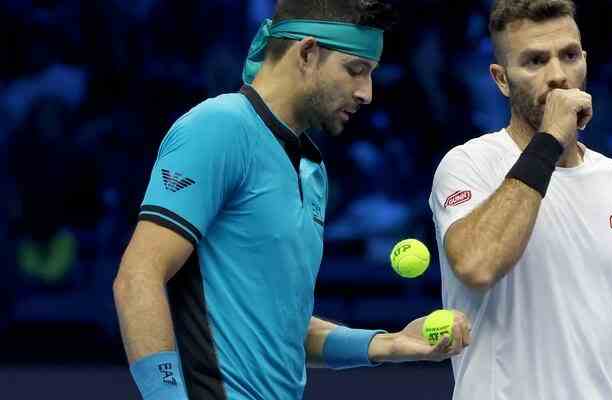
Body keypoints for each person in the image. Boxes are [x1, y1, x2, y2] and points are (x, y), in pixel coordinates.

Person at [112, 1, 471, 399]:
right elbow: (138, 277)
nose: (367, 93)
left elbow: (278, 330)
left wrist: (388, 344)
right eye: (356, 70)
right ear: (307, 53)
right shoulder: (218, 126)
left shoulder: (312, 170)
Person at [428, 1, 612, 399]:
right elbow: (477, 264)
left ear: (585, 61)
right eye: (534, 61)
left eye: (569, 56)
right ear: (501, 79)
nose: (559, 76)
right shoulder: (468, 164)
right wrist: (549, 140)